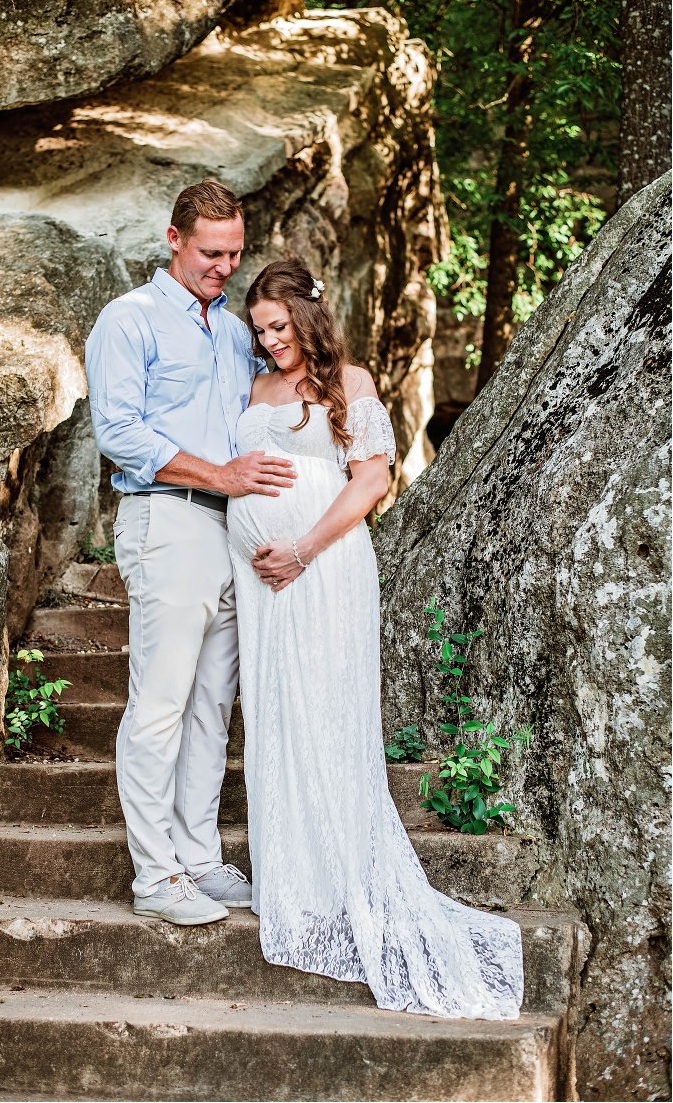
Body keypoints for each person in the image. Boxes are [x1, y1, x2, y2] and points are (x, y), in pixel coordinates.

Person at [227, 260, 524, 1018]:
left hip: (323, 572)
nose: (268, 342)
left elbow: (370, 481)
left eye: (279, 328)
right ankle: (293, 874)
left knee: (326, 709)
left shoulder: (349, 383)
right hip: (265, 588)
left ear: (307, 317)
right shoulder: (257, 387)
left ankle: (341, 873)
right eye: (258, 331)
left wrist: (299, 549)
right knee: (278, 717)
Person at [84, 181, 296, 926]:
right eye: (212, 253)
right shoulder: (129, 320)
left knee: (212, 706)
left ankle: (199, 858)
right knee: (162, 703)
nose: (225, 267)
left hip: (231, 529)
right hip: (166, 519)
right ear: (173, 239)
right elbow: (120, 433)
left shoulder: (238, 333)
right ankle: (155, 875)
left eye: (235, 253)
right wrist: (218, 475)